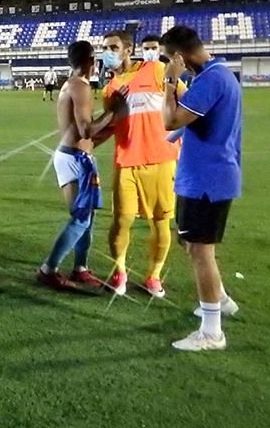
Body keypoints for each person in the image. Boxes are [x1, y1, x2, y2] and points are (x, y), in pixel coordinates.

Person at [161, 25, 242, 352]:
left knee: (200, 251)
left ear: (179, 56)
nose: (169, 63)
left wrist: (169, 82)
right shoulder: (217, 75)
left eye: (169, 58)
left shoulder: (210, 80)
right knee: (189, 242)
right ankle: (220, 299)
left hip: (206, 178)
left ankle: (211, 332)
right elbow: (192, 123)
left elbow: (170, 119)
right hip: (205, 175)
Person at [99, 31, 184, 297]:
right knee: (120, 220)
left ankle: (154, 276)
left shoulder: (156, 70)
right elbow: (110, 125)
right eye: (105, 48)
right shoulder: (109, 88)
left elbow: (185, 104)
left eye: (113, 47)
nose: (108, 52)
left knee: (160, 222)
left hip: (162, 160)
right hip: (126, 161)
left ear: (128, 49)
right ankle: (119, 272)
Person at [37, 40, 125, 291]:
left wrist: (110, 123)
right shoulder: (80, 86)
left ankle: (80, 267)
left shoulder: (71, 85)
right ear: (91, 60)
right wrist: (112, 112)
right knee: (81, 217)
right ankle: (48, 269)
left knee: (88, 215)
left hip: (73, 155)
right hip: (75, 159)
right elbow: (87, 129)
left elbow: (82, 132)